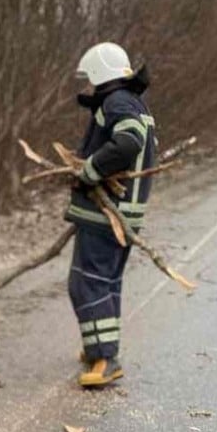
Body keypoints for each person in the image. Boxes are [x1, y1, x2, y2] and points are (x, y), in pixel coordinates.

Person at [65, 41, 157, 388]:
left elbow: (128, 142)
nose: (87, 86)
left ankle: (106, 357)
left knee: (86, 283)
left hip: (107, 216)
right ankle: (98, 349)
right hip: (119, 216)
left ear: (101, 73)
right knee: (104, 283)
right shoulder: (132, 102)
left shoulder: (117, 102)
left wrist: (89, 170)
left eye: (89, 78)